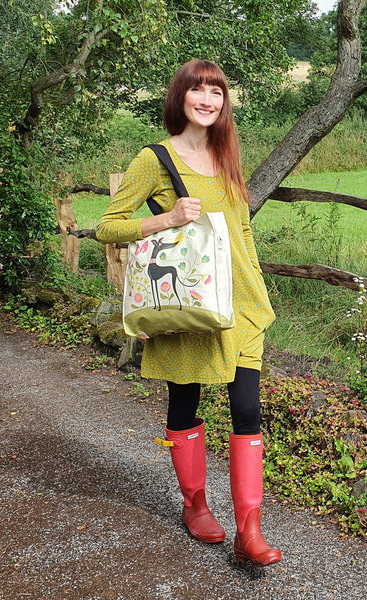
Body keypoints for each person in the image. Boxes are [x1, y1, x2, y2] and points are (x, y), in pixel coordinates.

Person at [95, 59, 281, 567]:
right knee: (186, 398)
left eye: (216, 91)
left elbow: (242, 229)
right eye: (197, 90)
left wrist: (259, 289)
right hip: (189, 301)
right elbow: (107, 227)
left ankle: (250, 528)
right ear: (180, 96)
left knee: (247, 408)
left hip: (240, 303)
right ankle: (195, 505)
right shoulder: (154, 159)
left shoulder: (226, 154)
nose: (207, 99)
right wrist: (166, 218)